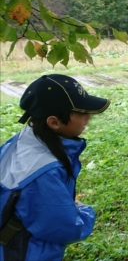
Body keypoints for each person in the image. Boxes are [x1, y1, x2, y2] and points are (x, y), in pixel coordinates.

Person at [0, 74, 110, 260]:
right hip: (25, 251)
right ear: (54, 122)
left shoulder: (22, 140)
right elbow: (64, 227)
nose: (89, 118)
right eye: (82, 113)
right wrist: (84, 211)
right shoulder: (44, 171)